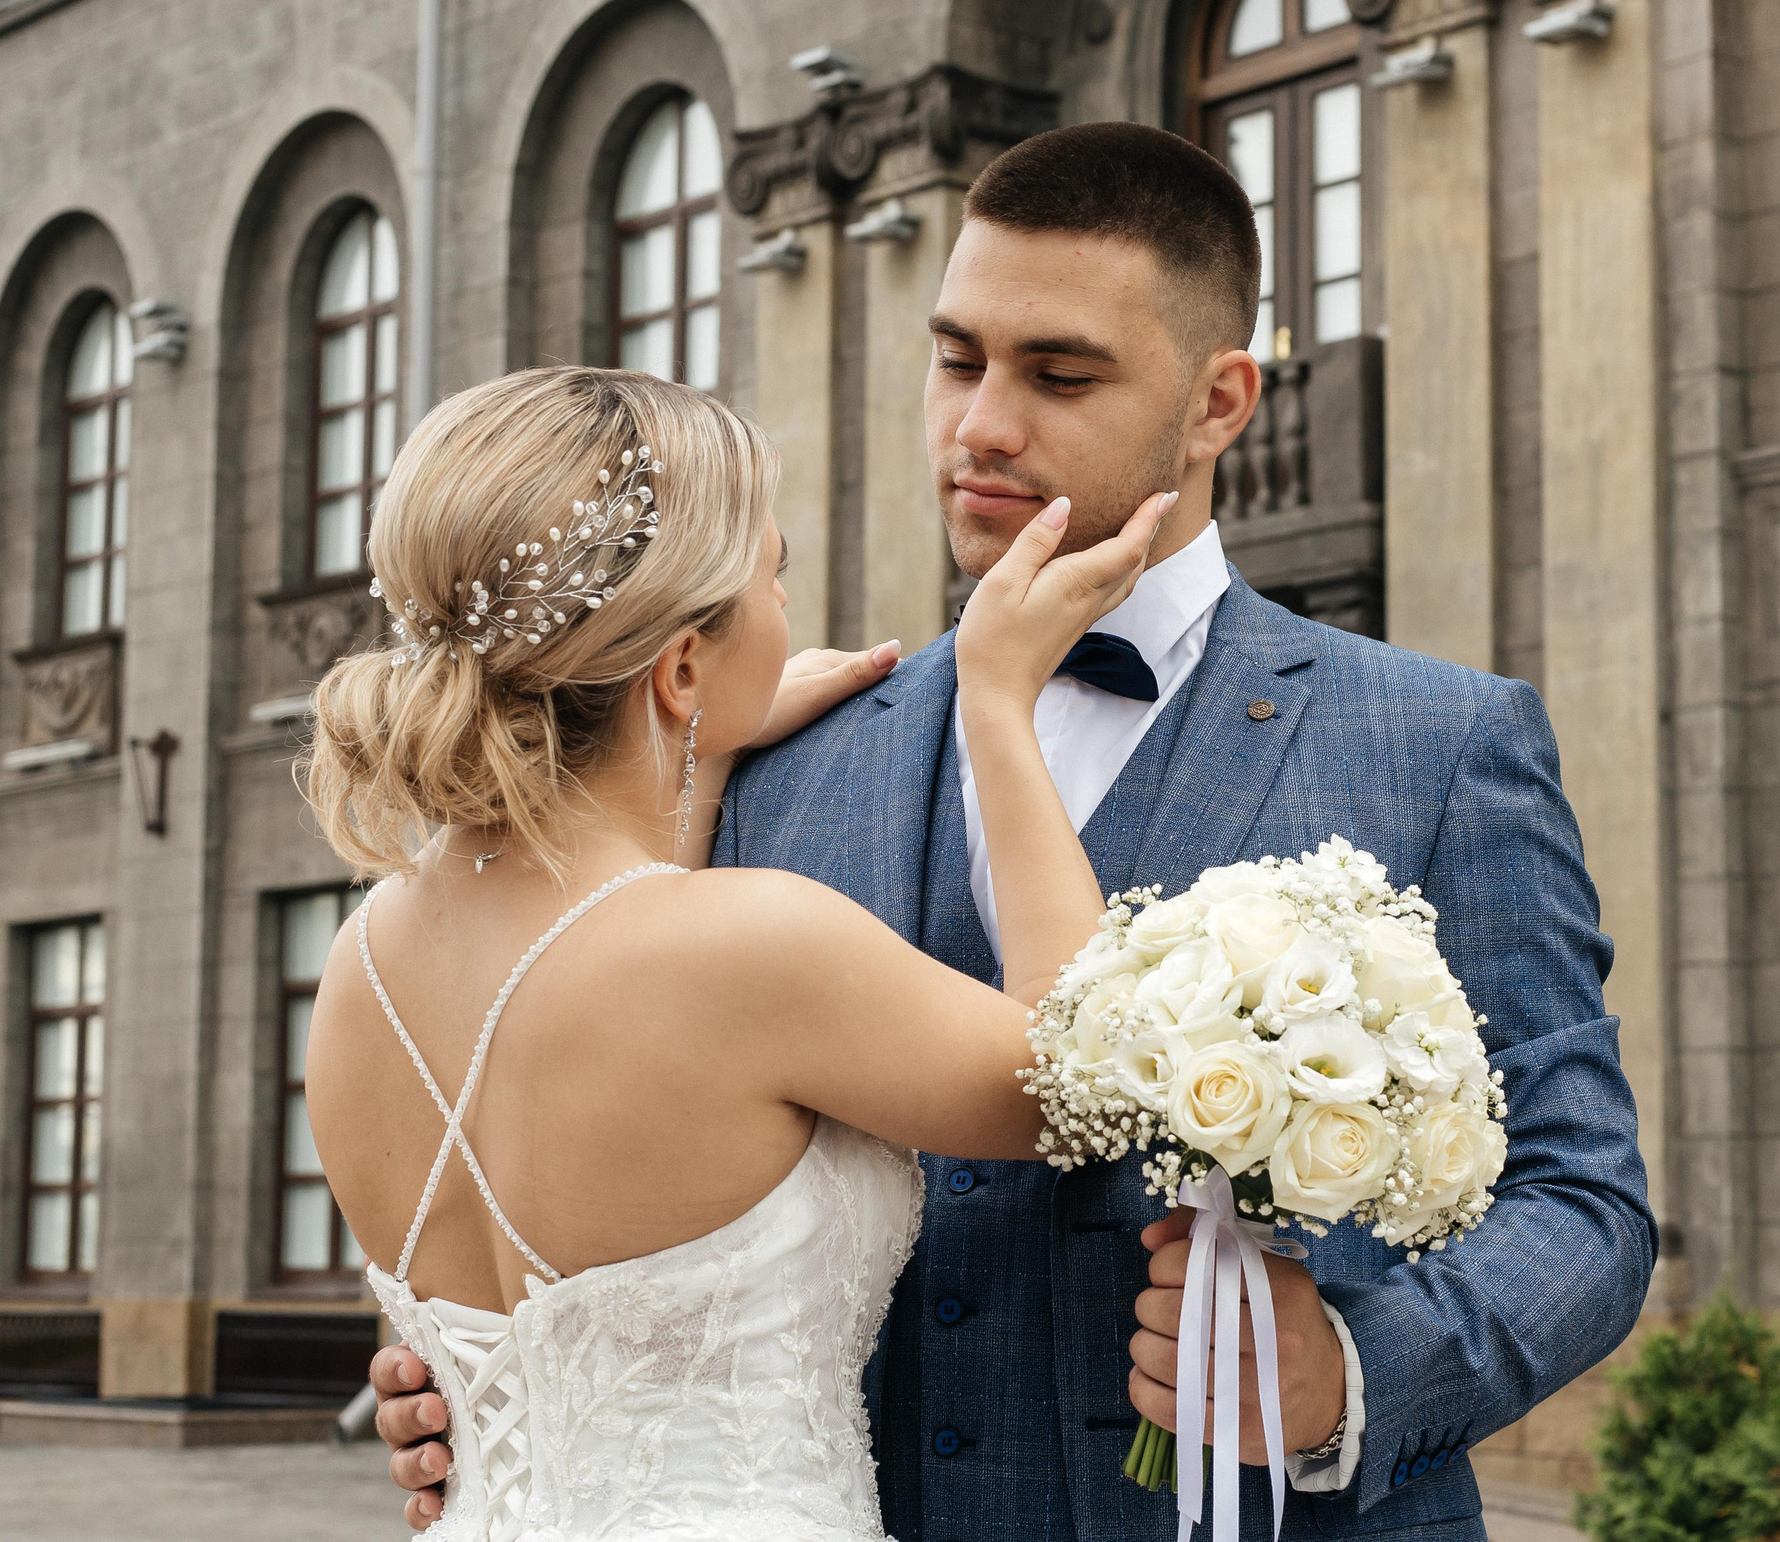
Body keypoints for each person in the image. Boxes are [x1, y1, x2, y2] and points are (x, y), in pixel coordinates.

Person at [371, 122, 1656, 1541]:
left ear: (1218, 399)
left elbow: (1582, 1199)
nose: (980, 422)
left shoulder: (1439, 741)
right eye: (956, 355)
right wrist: (509, 1382)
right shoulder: (769, 760)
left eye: (1058, 374)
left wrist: (1344, 1372)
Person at [303, 362, 1176, 1542]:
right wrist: (997, 703)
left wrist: (689, 746)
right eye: (774, 576)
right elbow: (1082, 1067)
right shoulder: (746, 940)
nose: (786, 611)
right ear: (675, 666)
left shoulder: (358, 971)